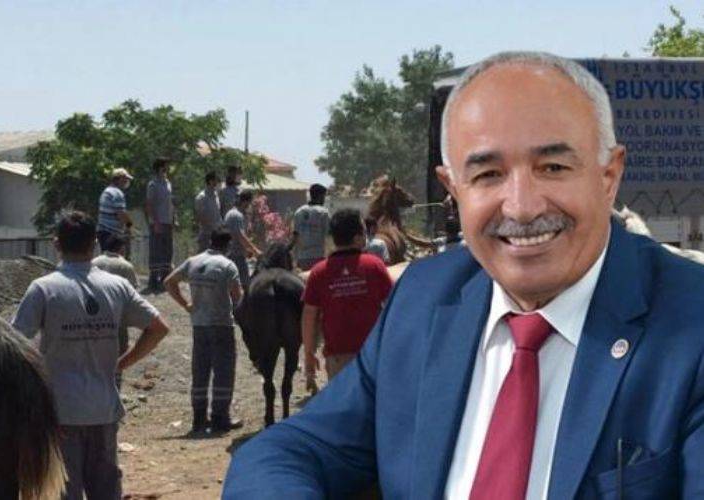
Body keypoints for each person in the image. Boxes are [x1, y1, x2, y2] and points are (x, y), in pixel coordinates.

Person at [224, 51, 704, 498]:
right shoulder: (424, 300)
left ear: (608, 176)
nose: (521, 207)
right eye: (488, 174)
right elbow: (283, 452)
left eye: (554, 167)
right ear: (452, 189)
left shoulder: (690, 325)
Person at [12, 210, 170, 500]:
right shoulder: (116, 286)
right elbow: (158, 327)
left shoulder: (44, 289)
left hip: (60, 411)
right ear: (94, 243)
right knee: (106, 488)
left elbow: (15, 343)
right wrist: (123, 363)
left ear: (56, 244)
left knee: (65, 490)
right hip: (104, 408)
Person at [164, 227, 245, 434]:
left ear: (211, 241)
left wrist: (186, 304)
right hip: (221, 325)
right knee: (223, 372)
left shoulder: (193, 261)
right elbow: (237, 297)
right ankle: (220, 418)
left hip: (199, 324)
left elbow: (169, 282)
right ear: (228, 245)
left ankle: (199, 419)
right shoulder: (228, 265)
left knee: (200, 371)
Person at [302, 209, 393, 388]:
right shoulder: (375, 266)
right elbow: (393, 305)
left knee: (344, 402)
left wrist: (308, 353)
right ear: (358, 238)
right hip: (373, 353)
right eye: (364, 231)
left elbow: (309, 317)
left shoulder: (319, 272)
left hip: (337, 357)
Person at [92, 234, 139, 388]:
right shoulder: (125, 266)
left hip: (93, 318)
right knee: (119, 354)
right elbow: (133, 293)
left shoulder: (94, 263)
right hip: (118, 319)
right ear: (121, 248)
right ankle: (115, 388)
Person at [146, 157, 175, 291]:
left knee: (167, 250)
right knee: (156, 250)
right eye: (165, 166)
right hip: (158, 222)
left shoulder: (168, 183)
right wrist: (155, 221)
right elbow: (149, 204)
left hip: (168, 221)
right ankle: (153, 279)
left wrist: (174, 218)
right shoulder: (153, 184)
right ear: (159, 168)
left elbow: (170, 202)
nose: (167, 169)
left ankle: (164, 278)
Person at [224, 190, 261, 290]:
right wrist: (255, 251)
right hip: (235, 255)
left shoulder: (232, 213)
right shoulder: (236, 215)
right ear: (246, 202)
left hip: (233, 253)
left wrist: (248, 250)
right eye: (250, 203)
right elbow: (240, 236)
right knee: (246, 285)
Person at [292, 184, 330, 271]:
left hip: (302, 258)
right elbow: (329, 236)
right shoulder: (323, 212)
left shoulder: (299, 212)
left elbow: (295, 236)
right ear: (320, 196)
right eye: (324, 196)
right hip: (318, 256)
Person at [97, 168, 135, 253]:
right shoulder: (117, 193)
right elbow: (121, 213)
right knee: (114, 257)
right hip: (112, 234)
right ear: (120, 179)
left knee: (106, 256)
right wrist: (130, 226)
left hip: (103, 230)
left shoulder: (106, 191)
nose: (127, 182)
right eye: (126, 179)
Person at [194, 172, 222, 253]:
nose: (217, 183)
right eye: (216, 180)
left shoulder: (216, 195)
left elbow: (217, 213)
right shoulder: (202, 197)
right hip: (206, 235)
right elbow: (200, 216)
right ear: (210, 181)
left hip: (216, 235)